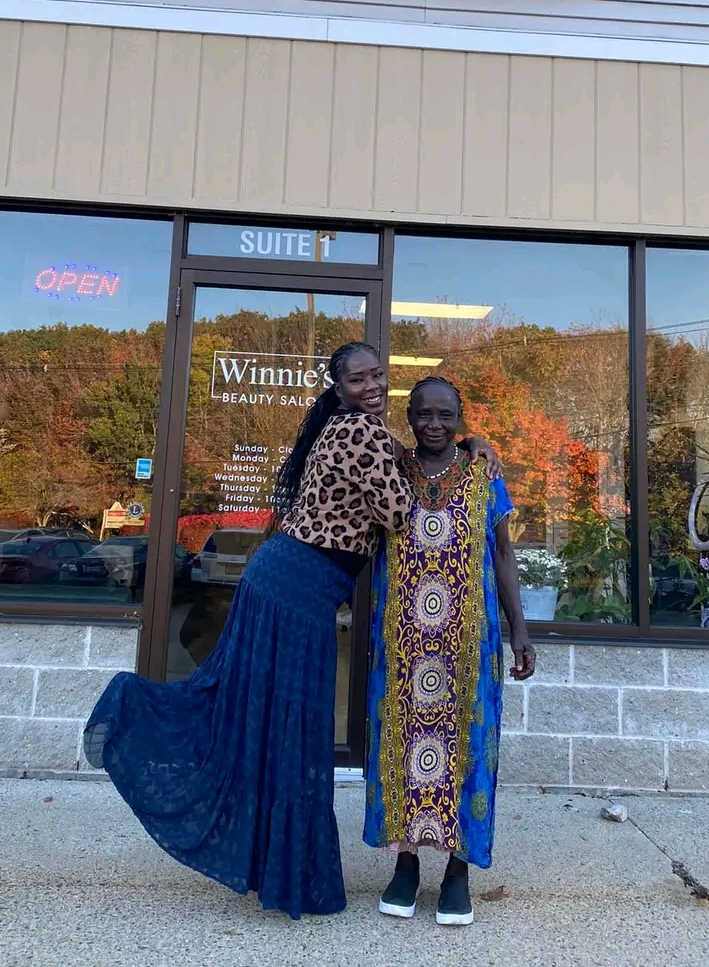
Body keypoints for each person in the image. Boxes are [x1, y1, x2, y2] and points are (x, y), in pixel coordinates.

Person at [85, 341, 493, 921]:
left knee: (272, 724)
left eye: (378, 375)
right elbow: (406, 514)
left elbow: (400, 468)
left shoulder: (353, 429)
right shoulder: (361, 433)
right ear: (338, 386)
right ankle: (287, 868)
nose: (372, 386)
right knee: (290, 729)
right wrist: (466, 452)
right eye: (358, 380)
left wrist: (469, 442)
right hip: (295, 593)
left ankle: (280, 865)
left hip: (284, 583)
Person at [363, 374, 536, 926]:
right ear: (408, 418)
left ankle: (458, 870)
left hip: (468, 644)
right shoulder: (389, 469)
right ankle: (407, 865)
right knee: (402, 745)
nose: (433, 425)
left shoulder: (485, 472)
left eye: (445, 416)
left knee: (469, 747)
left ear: (461, 419)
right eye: (423, 415)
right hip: (403, 644)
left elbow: (503, 556)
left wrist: (520, 629)